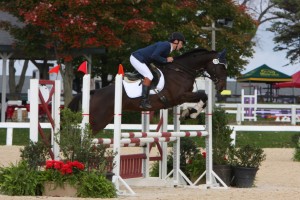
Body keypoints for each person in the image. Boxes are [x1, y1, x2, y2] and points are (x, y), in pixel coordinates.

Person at [130, 32, 185, 109]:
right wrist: (166, 60)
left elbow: (158, 60)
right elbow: (155, 56)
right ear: (176, 41)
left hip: (143, 60)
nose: (181, 46)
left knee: (152, 74)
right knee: (149, 76)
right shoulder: (166, 45)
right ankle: (143, 101)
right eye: (181, 43)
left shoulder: (169, 48)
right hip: (137, 58)